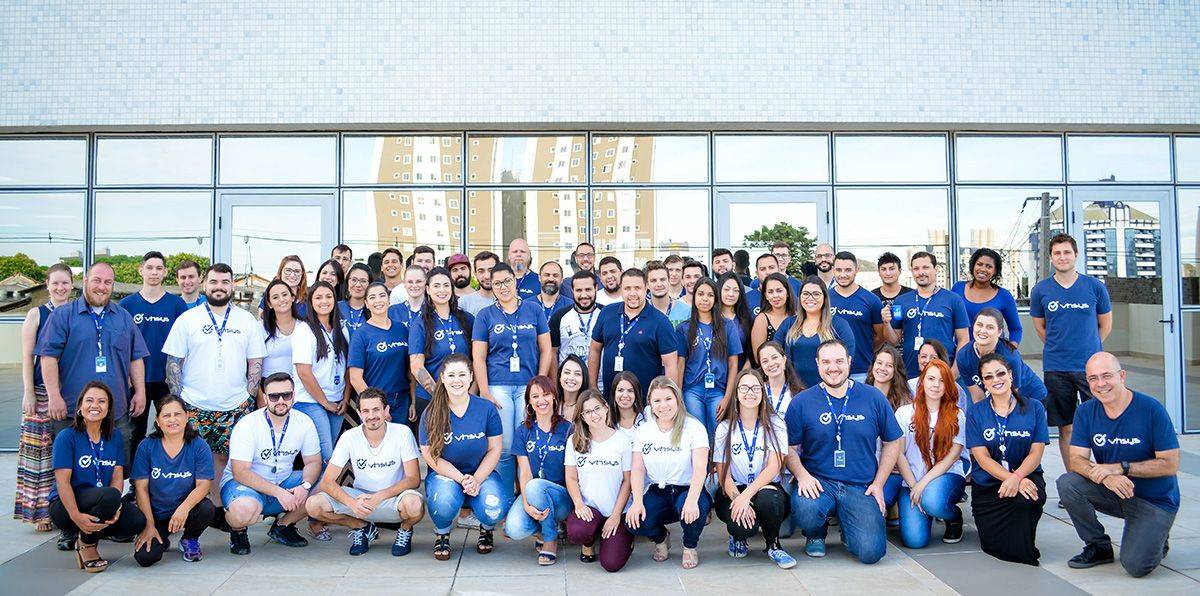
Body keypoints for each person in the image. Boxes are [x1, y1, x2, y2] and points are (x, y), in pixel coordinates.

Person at [1057, 352, 1179, 578]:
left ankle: (1157, 535)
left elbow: (1170, 464)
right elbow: (1076, 460)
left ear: (1122, 376)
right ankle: (1098, 546)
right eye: (1093, 378)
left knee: (1135, 566)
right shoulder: (1086, 411)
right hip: (1115, 491)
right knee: (1068, 484)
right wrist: (1107, 477)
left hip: (1154, 500)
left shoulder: (1151, 409)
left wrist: (1121, 468)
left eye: (1106, 376)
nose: (1100, 384)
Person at [785, 340, 902, 564]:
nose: (833, 368)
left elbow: (892, 441)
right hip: (819, 482)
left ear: (849, 361)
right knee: (807, 510)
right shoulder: (801, 402)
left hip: (860, 484)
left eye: (839, 361)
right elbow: (788, 448)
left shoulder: (873, 397)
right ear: (817, 364)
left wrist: (878, 484)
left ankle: (850, 531)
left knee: (871, 553)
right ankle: (815, 533)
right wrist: (802, 475)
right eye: (826, 362)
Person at [164, 263, 266, 516]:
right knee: (190, 460)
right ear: (204, 284)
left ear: (232, 286)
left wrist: (249, 396)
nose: (219, 287)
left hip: (234, 405)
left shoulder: (246, 320)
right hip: (193, 404)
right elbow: (173, 362)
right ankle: (188, 510)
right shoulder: (187, 319)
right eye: (213, 282)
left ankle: (218, 510)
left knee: (223, 459)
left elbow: (255, 361)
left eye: (225, 282)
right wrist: (178, 401)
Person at [38, 261, 149, 467]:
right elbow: (48, 357)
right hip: (71, 410)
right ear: (85, 281)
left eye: (108, 282)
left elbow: (136, 357)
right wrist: (53, 396)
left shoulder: (123, 317)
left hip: (116, 411)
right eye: (97, 280)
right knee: (70, 468)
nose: (102, 286)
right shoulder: (62, 315)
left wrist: (140, 392)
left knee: (116, 468)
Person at [306, 388, 425, 557]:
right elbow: (327, 481)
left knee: (415, 505)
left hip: (393, 498)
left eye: (376, 410)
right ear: (359, 413)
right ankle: (360, 527)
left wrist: (380, 496)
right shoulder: (349, 437)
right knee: (313, 505)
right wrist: (352, 503)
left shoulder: (402, 432)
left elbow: (413, 479)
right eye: (366, 411)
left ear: (386, 410)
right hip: (360, 498)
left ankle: (405, 529)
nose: (371, 416)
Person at [1031, 233, 1113, 469]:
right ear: (1051, 257)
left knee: (1100, 422)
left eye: (1067, 252)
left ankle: (1107, 474)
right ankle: (1074, 477)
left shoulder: (1095, 287)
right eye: (1057, 253)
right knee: (1066, 427)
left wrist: (1089, 349)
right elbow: (1041, 328)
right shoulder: (1041, 290)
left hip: (1091, 369)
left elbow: (1105, 325)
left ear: (1076, 255)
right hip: (1056, 368)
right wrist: (1061, 346)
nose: (1062, 257)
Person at [49, 382, 146, 573]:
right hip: (66, 506)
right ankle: (87, 544)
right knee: (109, 495)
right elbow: (62, 482)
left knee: (136, 520)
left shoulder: (114, 436)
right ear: (80, 407)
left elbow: (117, 476)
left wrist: (116, 507)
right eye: (89, 400)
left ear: (109, 409)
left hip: (102, 500)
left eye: (102, 401)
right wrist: (76, 516)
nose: (95, 405)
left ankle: (92, 531)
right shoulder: (67, 437)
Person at [221, 372, 322, 555]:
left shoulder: (304, 422)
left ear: (294, 395)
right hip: (246, 486)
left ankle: (283, 525)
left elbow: (313, 461)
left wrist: (305, 486)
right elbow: (240, 472)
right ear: (265, 398)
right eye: (274, 396)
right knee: (244, 511)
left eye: (286, 395)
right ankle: (238, 531)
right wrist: (278, 492)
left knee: (325, 483)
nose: (281, 401)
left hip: (283, 482)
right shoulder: (248, 425)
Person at [473, 263, 552, 494]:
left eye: (507, 281)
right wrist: (484, 391)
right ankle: (507, 496)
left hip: (528, 386)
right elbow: (479, 357)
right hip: (498, 385)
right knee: (505, 446)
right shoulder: (485, 315)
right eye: (497, 283)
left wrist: (540, 383)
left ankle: (527, 496)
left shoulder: (534, 309)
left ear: (515, 281)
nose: (503, 287)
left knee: (526, 443)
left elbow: (546, 349)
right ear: (491, 286)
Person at [419, 355, 507, 560]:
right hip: (445, 476)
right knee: (443, 503)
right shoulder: (431, 412)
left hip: (481, 474)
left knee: (494, 508)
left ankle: (486, 529)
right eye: (451, 375)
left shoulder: (486, 408)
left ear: (471, 377)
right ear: (442, 378)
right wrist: (462, 479)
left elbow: (495, 449)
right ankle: (442, 533)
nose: (456, 380)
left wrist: (476, 479)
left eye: (462, 374)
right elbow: (430, 455)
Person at [966, 353, 1049, 566]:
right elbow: (982, 458)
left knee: (1026, 501)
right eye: (989, 377)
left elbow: (1036, 452)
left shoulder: (1034, 407)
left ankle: (1023, 548)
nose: (996, 380)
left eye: (1000, 373)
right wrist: (1011, 479)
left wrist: (1018, 477)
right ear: (983, 382)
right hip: (989, 486)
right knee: (991, 546)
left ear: (1010, 375)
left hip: (1027, 477)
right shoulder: (976, 412)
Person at [625, 377, 711, 569]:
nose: (663, 405)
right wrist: (637, 501)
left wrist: (692, 500)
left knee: (695, 510)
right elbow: (637, 469)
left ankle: (690, 546)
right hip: (657, 490)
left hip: (686, 488)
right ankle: (661, 538)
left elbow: (700, 469)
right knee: (634, 522)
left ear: (677, 399)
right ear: (650, 403)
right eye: (657, 400)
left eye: (668, 399)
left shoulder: (694, 427)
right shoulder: (643, 431)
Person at [714, 369, 796, 568]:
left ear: (762, 392)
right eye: (744, 388)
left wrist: (747, 497)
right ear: (736, 393)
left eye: (755, 388)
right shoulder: (724, 427)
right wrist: (739, 498)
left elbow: (774, 467)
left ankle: (774, 545)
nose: (750, 393)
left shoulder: (776, 423)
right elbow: (723, 475)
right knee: (741, 527)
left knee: (768, 499)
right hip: (734, 489)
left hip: (765, 487)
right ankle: (738, 537)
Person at [16, 262, 73, 533]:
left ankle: (67, 509)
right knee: (39, 454)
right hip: (40, 393)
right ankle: (41, 512)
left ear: (72, 285)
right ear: (47, 284)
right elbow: (28, 357)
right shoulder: (36, 314)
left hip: (71, 392)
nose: (60, 288)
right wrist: (28, 391)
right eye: (55, 283)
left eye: (65, 283)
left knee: (66, 454)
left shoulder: (77, 313)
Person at [131, 395, 216, 566]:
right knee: (145, 558)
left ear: (187, 416)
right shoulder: (146, 446)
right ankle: (162, 538)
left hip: (186, 510)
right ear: (157, 421)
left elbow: (203, 485)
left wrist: (184, 508)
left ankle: (189, 539)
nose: (172, 420)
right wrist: (149, 526)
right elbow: (141, 489)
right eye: (166, 415)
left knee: (206, 508)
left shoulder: (199, 446)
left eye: (177, 414)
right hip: (156, 513)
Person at [120, 251, 188, 459]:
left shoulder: (176, 305)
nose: (154, 272)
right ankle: (135, 476)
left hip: (166, 380)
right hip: (136, 380)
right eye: (149, 268)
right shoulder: (127, 305)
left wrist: (177, 375)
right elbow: (121, 344)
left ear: (165, 272)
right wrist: (126, 375)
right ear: (141, 270)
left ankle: (164, 469)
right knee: (135, 432)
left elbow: (186, 344)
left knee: (168, 429)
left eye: (159, 268)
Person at [893, 359, 967, 547]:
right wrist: (913, 485)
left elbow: (953, 456)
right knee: (914, 541)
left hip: (946, 476)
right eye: (931, 378)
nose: (936, 385)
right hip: (911, 479)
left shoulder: (956, 415)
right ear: (922, 381)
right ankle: (927, 509)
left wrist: (923, 485)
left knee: (932, 501)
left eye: (942, 381)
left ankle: (953, 517)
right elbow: (898, 454)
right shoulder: (904, 413)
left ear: (948, 385)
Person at [503, 377, 574, 565]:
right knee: (513, 529)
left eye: (546, 394)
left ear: (554, 397)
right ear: (529, 401)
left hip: (561, 497)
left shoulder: (567, 429)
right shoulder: (523, 431)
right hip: (533, 493)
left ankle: (550, 539)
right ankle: (544, 527)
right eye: (535, 396)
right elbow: (524, 472)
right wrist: (526, 505)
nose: (541, 400)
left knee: (535, 486)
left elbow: (573, 472)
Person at [565, 389, 634, 571]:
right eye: (587, 411)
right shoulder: (574, 441)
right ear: (582, 416)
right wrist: (579, 504)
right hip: (590, 508)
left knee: (611, 564)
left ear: (606, 408)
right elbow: (571, 478)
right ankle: (588, 542)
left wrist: (616, 515)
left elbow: (627, 481)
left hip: (617, 510)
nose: (594, 415)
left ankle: (625, 541)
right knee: (577, 532)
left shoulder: (622, 440)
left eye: (597, 408)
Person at [589, 268, 680, 401]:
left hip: (645, 400)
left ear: (646, 288)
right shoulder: (606, 313)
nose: (632, 293)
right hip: (611, 398)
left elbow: (670, 364)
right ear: (621, 289)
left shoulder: (660, 322)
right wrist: (593, 386)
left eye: (637, 288)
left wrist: (668, 399)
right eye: (627, 288)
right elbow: (594, 349)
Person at [291, 281, 350, 466]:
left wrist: (345, 398)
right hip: (311, 401)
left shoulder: (342, 328)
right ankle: (320, 486)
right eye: (318, 297)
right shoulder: (304, 330)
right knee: (327, 455)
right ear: (311, 302)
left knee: (329, 455)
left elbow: (347, 368)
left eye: (328, 296)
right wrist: (325, 403)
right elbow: (304, 373)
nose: (324, 301)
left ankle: (319, 485)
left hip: (337, 401)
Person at [884, 251, 969, 375]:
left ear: (936, 269)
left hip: (943, 371)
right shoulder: (901, 301)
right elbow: (894, 341)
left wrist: (954, 372)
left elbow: (963, 339)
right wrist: (886, 323)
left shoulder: (953, 299)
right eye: (916, 269)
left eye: (925, 267)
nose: (921, 272)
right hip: (911, 372)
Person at [675, 277, 741, 437]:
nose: (705, 299)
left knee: (718, 435)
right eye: (700, 294)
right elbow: (680, 364)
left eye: (710, 295)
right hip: (692, 390)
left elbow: (733, 364)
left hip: (718, 389)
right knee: (698, 435)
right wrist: (678, 396)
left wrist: (727, 398)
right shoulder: (684, 328)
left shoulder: (727, 326)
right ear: (694, 297)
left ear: (716, 299)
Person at [409, 267, 474, 422]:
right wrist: (442, 396)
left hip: (465, 398)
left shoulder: (467, 319)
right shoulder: (420, 323)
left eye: (446, 285)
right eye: (436, 286)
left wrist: (469, 393)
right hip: (431, 399)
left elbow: (477, 359)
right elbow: (416, 367)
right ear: (427, 289)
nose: (442, 290)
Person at [349, 282, 413, 425]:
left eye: (382, 295)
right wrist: (377, 407)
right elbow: (355, 378)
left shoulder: (401, 329)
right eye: (372, 297)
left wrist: (413, 401)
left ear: (389, 300)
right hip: (375, 403)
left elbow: (410, 370)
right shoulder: (361, 334)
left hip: (402, 401)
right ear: (366, 303)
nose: (378, 300)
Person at [775, 276, 857, 387]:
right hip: (795, 389)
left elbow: (847, 360)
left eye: (816, 294)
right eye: (805, 294)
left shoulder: (839, 325)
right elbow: (774, 351)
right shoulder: (789, 324)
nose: (810, 298)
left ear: (825, 297)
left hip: (829, 388)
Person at [954, 308, 1047, 404]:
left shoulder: (1010, 357)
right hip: (1000, 397)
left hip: (1030, 396)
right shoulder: (963, 356)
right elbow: (978, 397)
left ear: (999, 332)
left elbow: (1011, 399)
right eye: (979, 325)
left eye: (990, 327)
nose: (983, 330)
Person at [830, 252, 886, 382]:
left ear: (857, 270)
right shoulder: (825, 298)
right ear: (833, 270)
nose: (843, 274)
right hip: (830, 369)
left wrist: (863, 349)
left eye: (848, 270)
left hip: (861, 371)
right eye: (838, 270)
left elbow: (881, 335)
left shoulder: (871, 300)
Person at [951, 248, 1023, 343]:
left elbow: (1016, 329)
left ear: (995, 271)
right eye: (979, 264)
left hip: (994, 351)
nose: (983, 269)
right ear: (973, 266)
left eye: (989, 266)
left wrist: (1011, 349)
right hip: (962, 350)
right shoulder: (958, 288)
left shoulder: (1004, 296)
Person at [549, 270, 600, 376]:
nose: (584, 295)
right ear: (572, 291)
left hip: (600, 382)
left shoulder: (605, 314)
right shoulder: (559, 317)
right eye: (579, 290)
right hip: (569, 381)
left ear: (596, 288)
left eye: (588, 289)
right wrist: (555, 382)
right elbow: (553, 352)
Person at [750, 272, 797, 355]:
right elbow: (758, 356)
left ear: (787, 292)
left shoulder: (798, 316)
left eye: (779, 291)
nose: (775, 295)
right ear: (766, 295)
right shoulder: (762, 319)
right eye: (770, 292)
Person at [756, 341, 805, 421]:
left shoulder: (799, 393)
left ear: (784, 359)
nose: (771, 364)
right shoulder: (757, 391)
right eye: (765, 361)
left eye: (774, 357)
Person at [261, 280, 299, 377]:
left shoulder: (305, 327)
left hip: (298, 384)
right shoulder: (260, 328)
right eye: (275, 297)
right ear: (269, 304)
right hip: (268, 383)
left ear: (293, 298)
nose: (281, 299)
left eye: (285, 295)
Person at [717, 272, 754, 368]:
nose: (731, 294)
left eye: (736, 290)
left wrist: (743, 373)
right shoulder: (711, 318)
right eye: (726, 289)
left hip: (741, 372)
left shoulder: (746, 319)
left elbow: (751, 353)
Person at [866, 344, 912, 412]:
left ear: (896, 370)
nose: (882, 368)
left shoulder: (903, 402)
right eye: (879, 363)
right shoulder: (861, 393)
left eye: (889, 365)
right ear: (873, 365)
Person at [646, 260, 691, 328]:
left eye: (662, 279)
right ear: (647, 285)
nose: (659, 284)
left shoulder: (686, 311)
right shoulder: (641, 311)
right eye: (653, 281)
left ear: (669, 281)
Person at [338, 263, 372, 341]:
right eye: (354, 280)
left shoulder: (374, 310)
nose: (358, 285)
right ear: (347, 282)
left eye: (363, 281)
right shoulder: (336, 307)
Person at [459, 251, 499, 316]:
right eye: (481, 271)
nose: (487, 276)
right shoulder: (464, 303)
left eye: (491, 270)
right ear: (475, 274)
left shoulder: (509, 301)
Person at [611, 372, 647, 438]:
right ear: (614, 393)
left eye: (630, 391)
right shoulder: (607, 422)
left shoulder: (647, 418)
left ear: (636, 394)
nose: (625, 395)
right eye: (620, 390)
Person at [556, 354, 589, 421]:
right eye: (567, 372)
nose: (571, 378)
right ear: (560, 377)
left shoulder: (588, 407)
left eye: (577, 374)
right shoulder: (552, 404)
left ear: (584, 379)